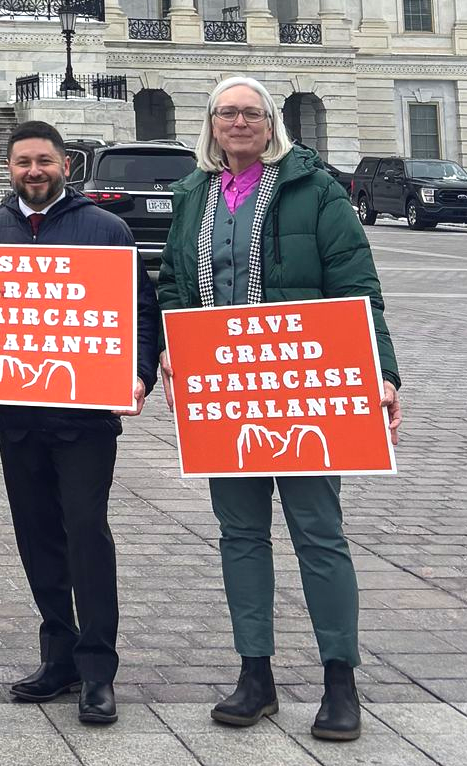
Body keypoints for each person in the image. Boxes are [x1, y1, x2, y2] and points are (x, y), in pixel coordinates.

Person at [155, 75, 402, 743]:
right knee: (240, 535)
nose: (238, 124)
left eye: (250, 113)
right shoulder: (194, 196)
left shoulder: (314, 189)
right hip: (224, 393)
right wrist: (174, 347)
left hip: (305, 389)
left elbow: (356, 284)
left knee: (318, 533)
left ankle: (338, 679)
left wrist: (381, 375)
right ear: (210, 125)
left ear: (271, 124)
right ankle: (254, 672)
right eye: (226, 113)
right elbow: (174, 282)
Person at [0, 119, 160, 725]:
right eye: (23, 163)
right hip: (17, 418)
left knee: (86, 535)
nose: (34, 172)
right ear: (9, 168)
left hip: (85, 419)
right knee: (37, 535)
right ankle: (59, 656)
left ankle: (98, 669)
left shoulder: (106, 229)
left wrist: (140, 373)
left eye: (44, 161)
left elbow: (141, 313)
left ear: (66, 165)